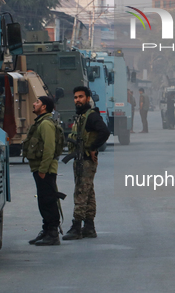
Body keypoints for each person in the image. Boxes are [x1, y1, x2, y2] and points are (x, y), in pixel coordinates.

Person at [63, 86, 110, 240]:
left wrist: (92, 147)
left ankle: (76, 227)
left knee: (81, 193)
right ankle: (89, 227)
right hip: (81, 160)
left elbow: (104, 131)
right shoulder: (82, 116)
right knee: (88, 193)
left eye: (81, 97)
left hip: (86, 161)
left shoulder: (91, 116)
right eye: (76, 97)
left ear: (88, 98)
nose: (78, 100)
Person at [25, 96, 65, 246]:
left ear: (44, 107)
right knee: (43, 199)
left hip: (45, 169)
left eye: (37, 102)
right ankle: (47, 230)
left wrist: (43, 169)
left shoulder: (46, 124)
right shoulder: (41, 122)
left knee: (48, 200)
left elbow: (49, 148)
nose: (34, 104)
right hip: (40, 168)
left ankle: (53, 233)